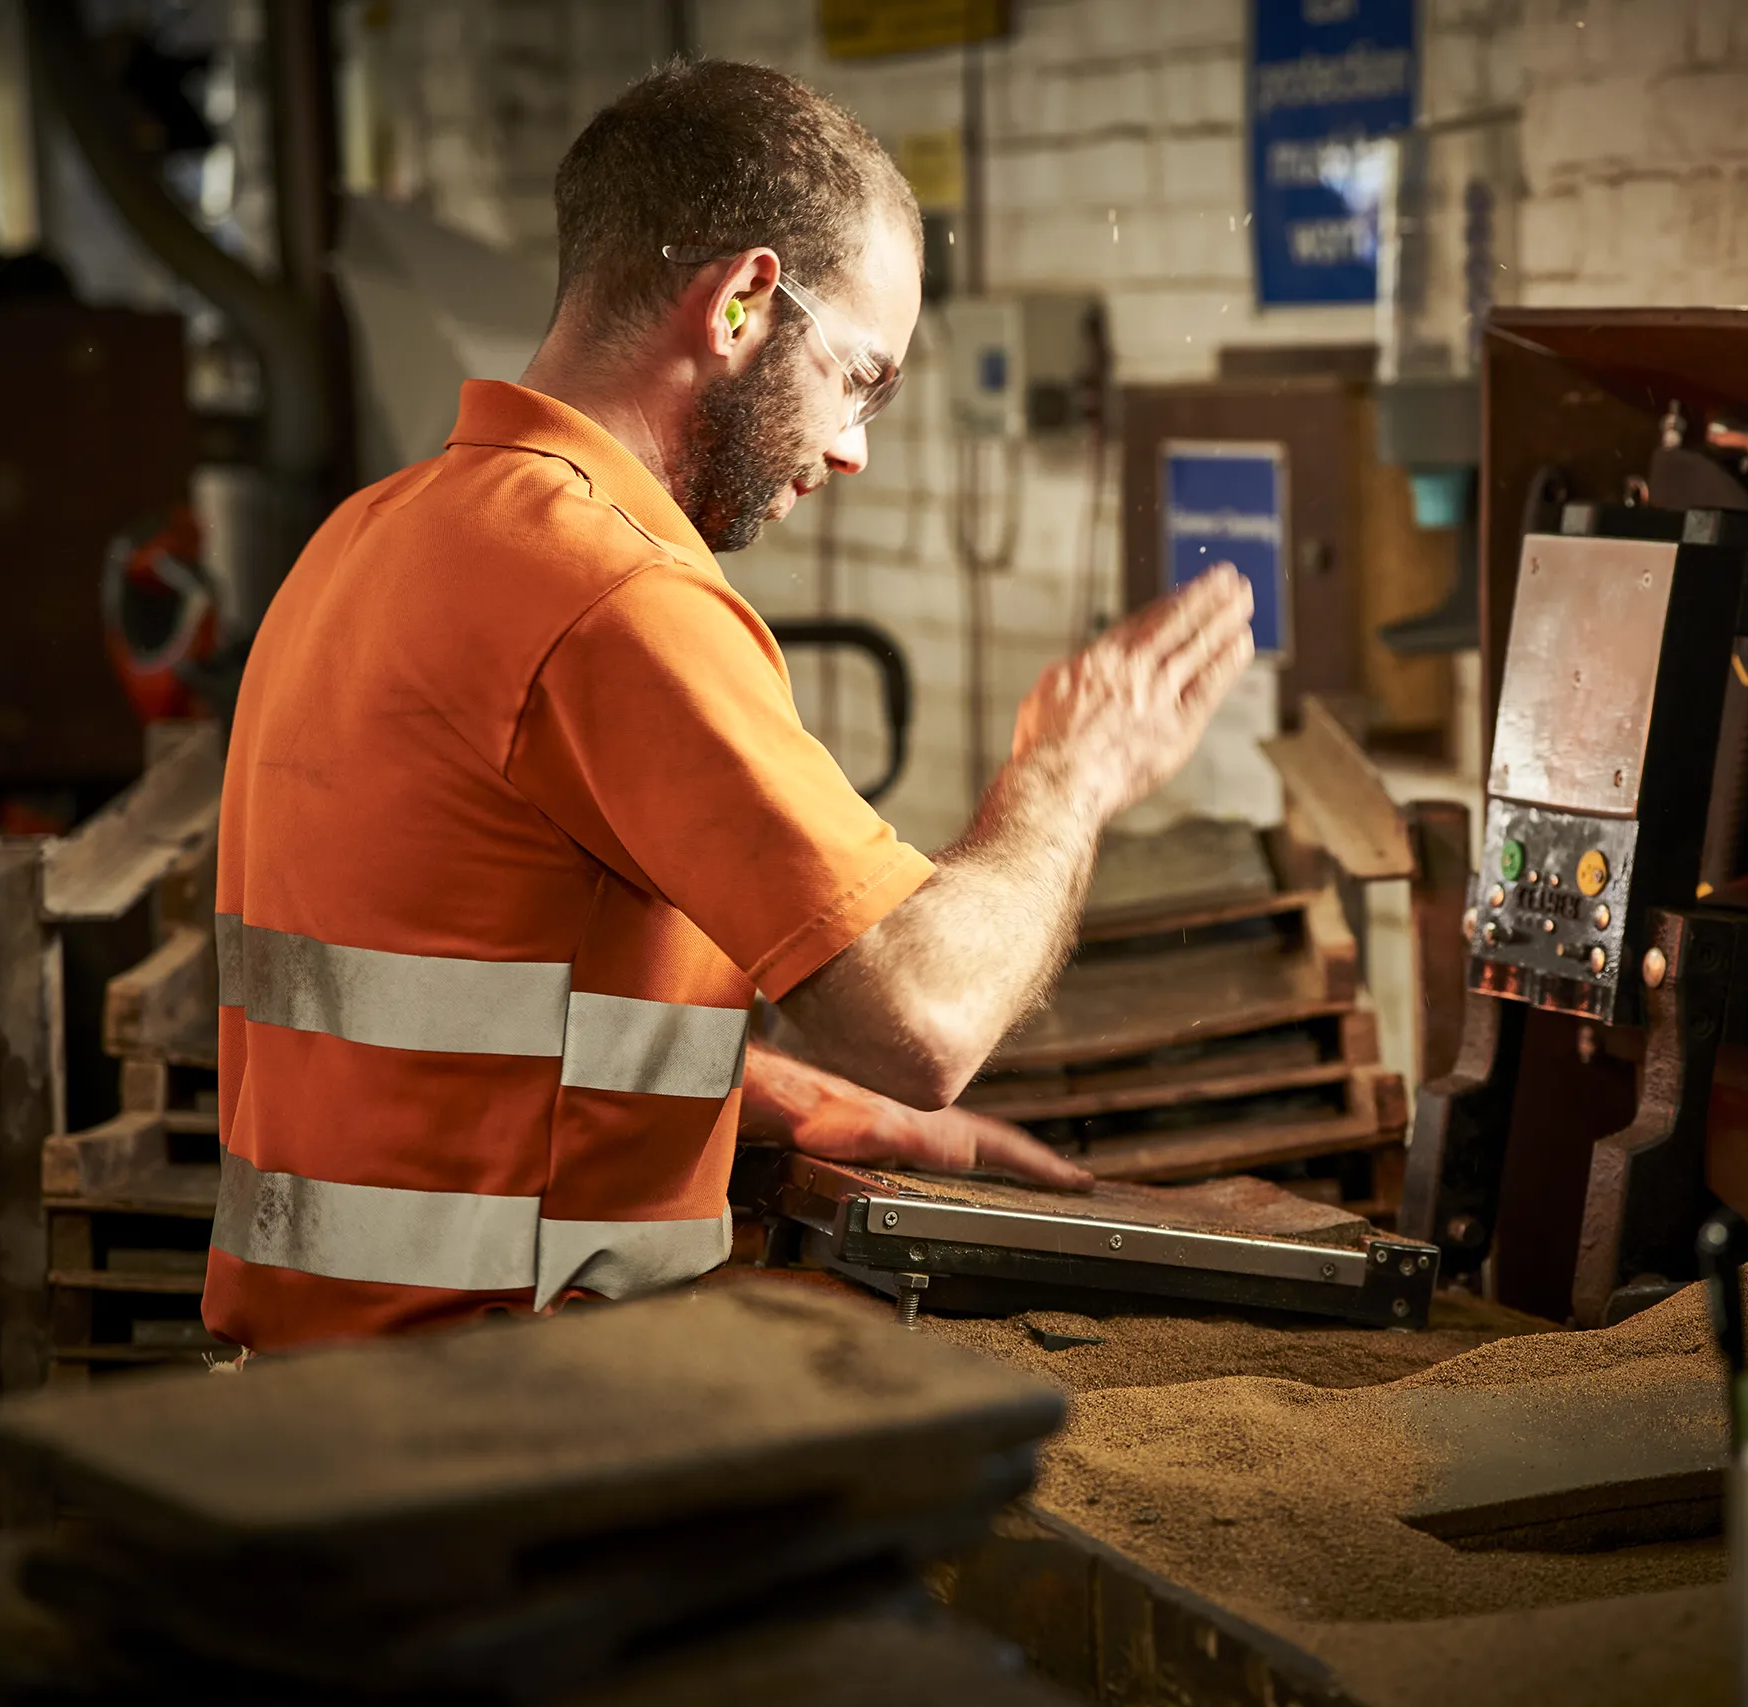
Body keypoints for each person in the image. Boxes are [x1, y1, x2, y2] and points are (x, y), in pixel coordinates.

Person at [203, 58, 1254, 1352]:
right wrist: (1072, 770)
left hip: (310, 1415)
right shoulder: (610, 597)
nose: (858, 446)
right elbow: (922, 1023)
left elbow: (429, 1012)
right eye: (863, 377)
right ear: (745, 300)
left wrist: (754, 1090)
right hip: (501, 1436)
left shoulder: (369, 538)